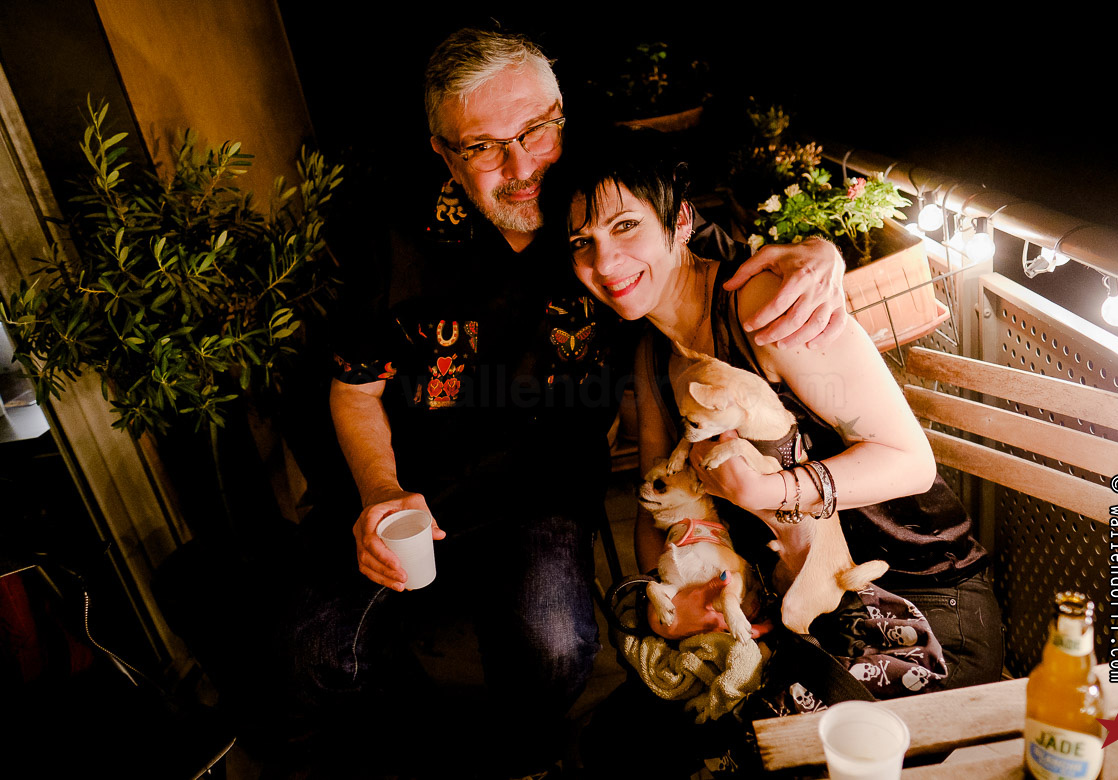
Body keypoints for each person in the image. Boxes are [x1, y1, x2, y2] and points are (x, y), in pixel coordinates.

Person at [284, 27, 851, 778]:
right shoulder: (388, 234)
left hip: (540, 490)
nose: (522, 168)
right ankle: (427, 748)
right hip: (405, 489)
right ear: (444, 153)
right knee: (318, 655)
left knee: (556, 652)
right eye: (483, 148)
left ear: (561, 117)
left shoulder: (603, 199)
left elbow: (710, 260)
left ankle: (525, 758)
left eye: (535, 132)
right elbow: (354, 386)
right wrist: (379, 491)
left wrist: (820, 253)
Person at [541, 127, 1004, 691]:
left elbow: (910, 462)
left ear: (680, 220)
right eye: (581, 242)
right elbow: (654, 504)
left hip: (916, 600)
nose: (605, 261)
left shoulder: (763, 305)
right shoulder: (652, 352)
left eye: (625, 226)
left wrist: (768, 491)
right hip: (793, 613)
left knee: (774, 735)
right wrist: (678, 604)